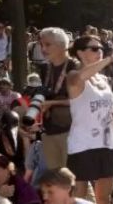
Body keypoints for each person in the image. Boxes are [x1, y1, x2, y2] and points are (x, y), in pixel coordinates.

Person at [66, 35, 113, 204]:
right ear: (80, 53)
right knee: (78, 197)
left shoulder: (103, 79)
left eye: (102, 49)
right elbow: (80, 77)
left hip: (107, 142)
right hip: (83, 145)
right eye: (95, 49)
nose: (100, 52)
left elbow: (106, 108)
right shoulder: (73, 76)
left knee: (103, 198)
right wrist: (109, 59)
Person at [39, 27, 80, 170]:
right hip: (48, 129)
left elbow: (80, 100)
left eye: (48, 44)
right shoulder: (45, 68)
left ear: (63, 46)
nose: (43, 49)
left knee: (74, 176)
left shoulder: (75, 67)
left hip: (70, 130)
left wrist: (52, 103)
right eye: (42, 44)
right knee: (56, 177)